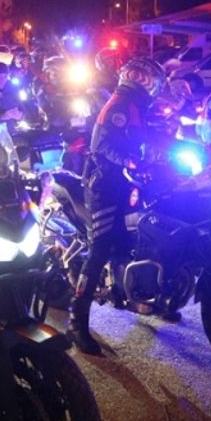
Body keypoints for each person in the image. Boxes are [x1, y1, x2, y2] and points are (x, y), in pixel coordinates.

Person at [70, 56, 166, 355]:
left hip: (126, 184)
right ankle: (76, 321)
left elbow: (145, 138)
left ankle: (129, 294)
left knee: (130, 241)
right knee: (98, 250)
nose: (148, 85)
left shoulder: (137, 108)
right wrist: (129, 161)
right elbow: (102, 145)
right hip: (103, 187)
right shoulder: (119, 104)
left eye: (151, 81)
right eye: (145, 79)